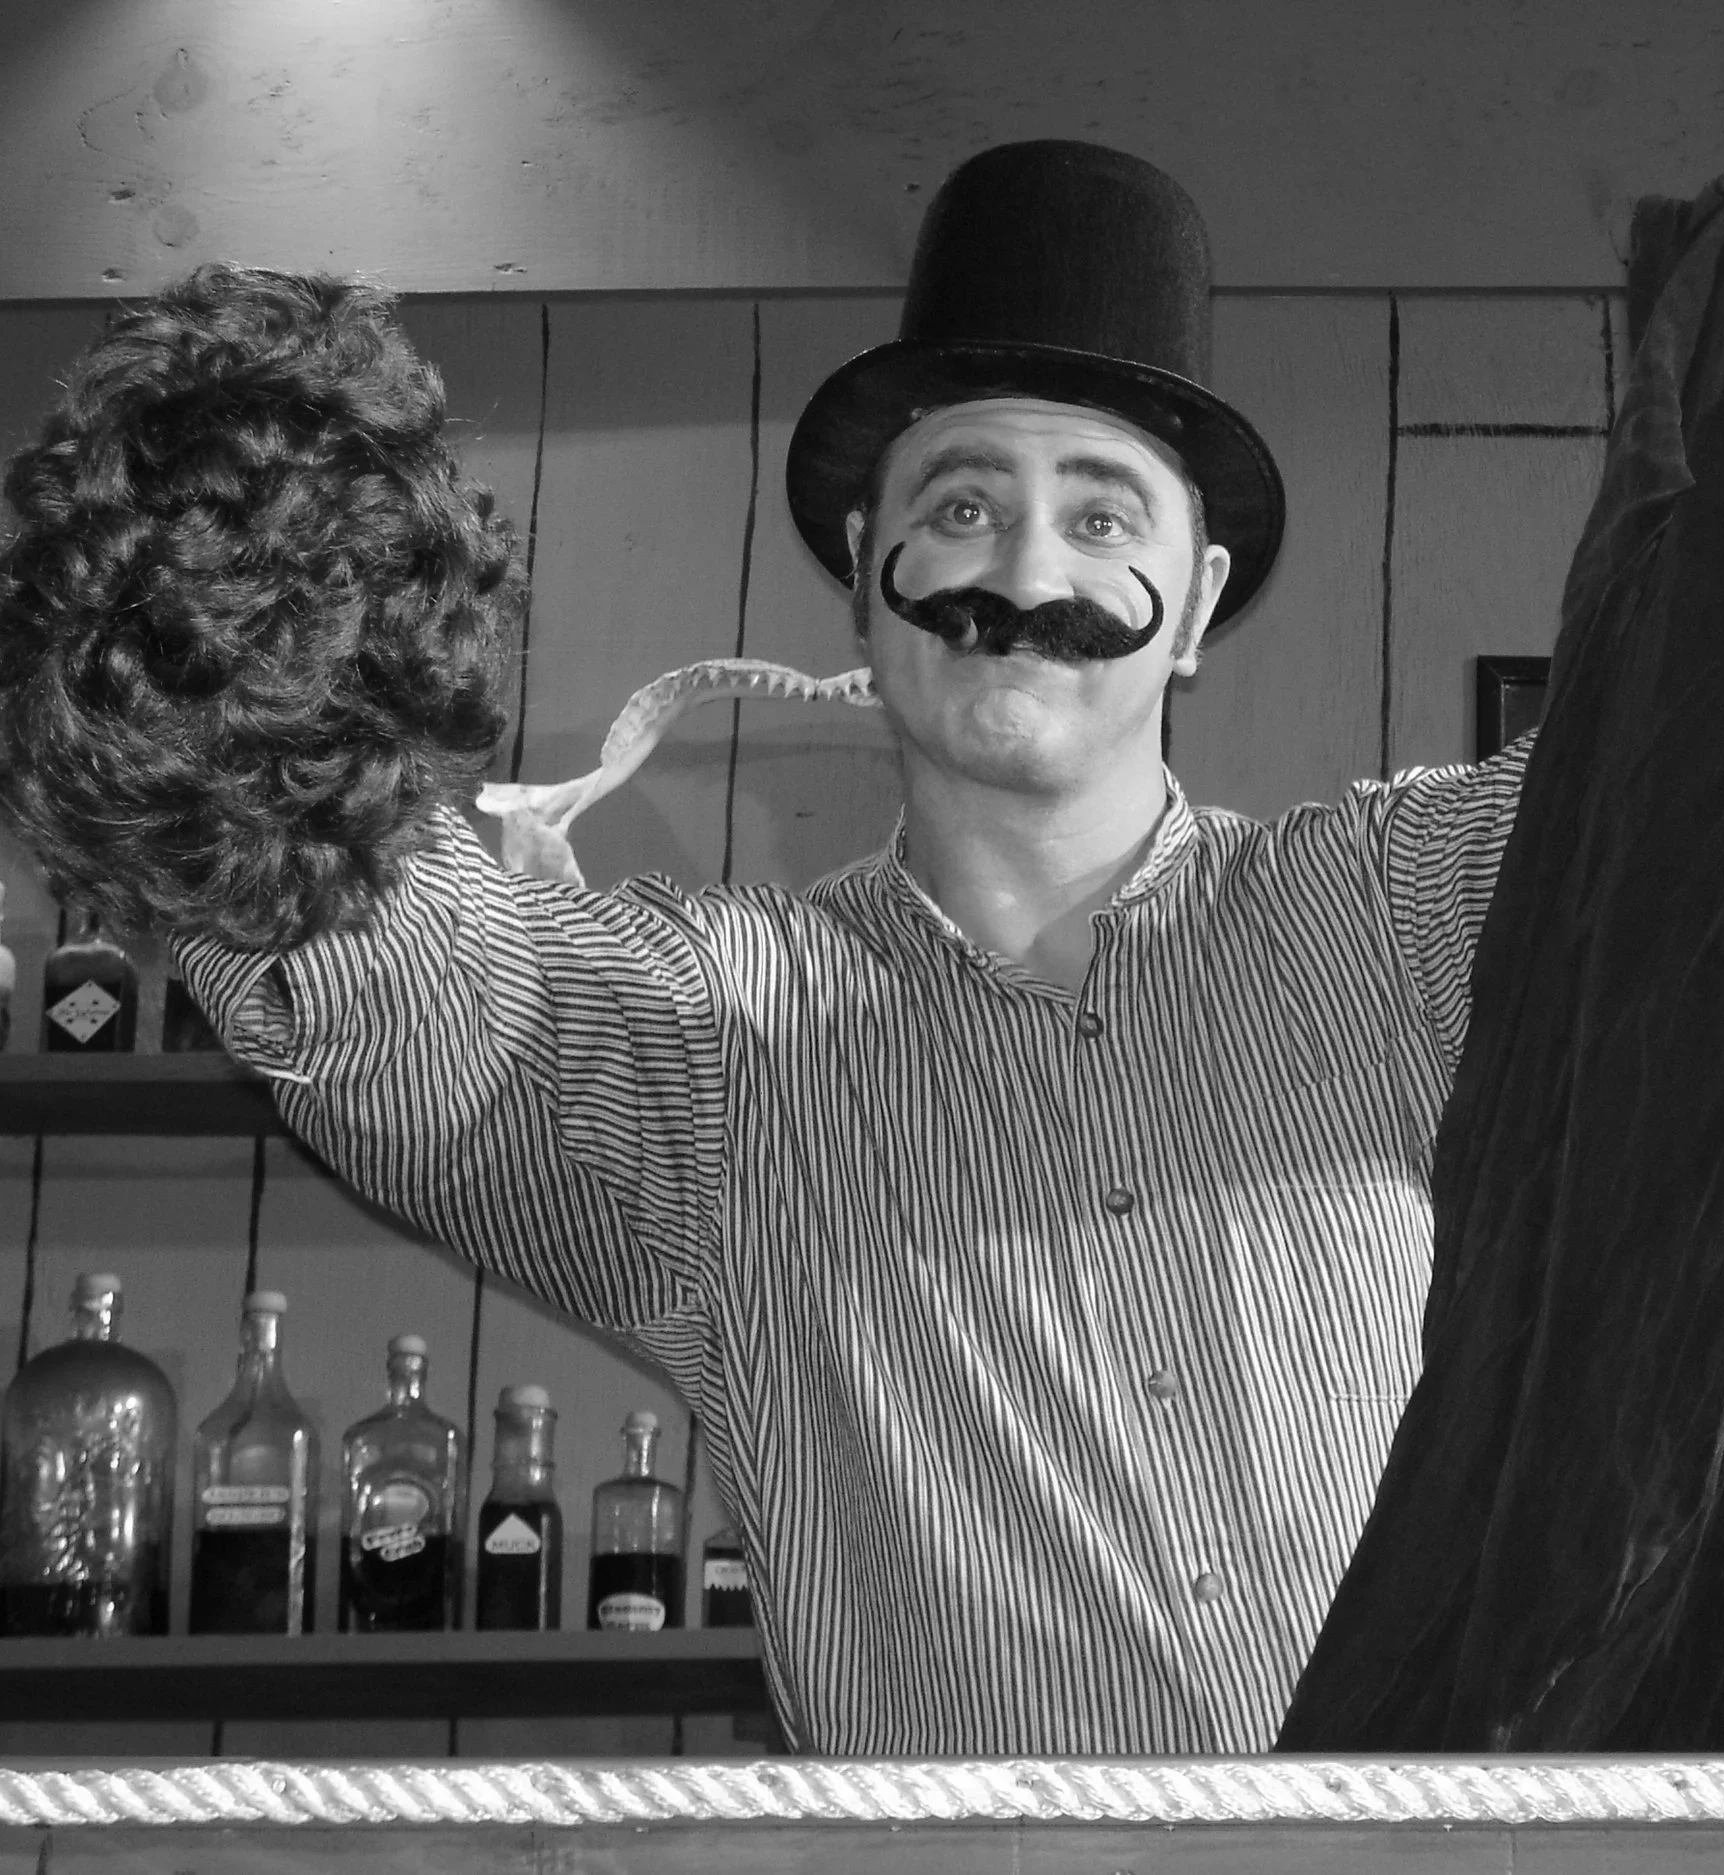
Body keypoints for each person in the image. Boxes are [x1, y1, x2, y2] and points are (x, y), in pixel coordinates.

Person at [0, 142, 1527, 1755]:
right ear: (865, 581)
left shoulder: (1397, 904)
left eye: (1100, 512)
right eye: (961, 505)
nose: (1025, 571)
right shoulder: (698, 1047)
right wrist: (239, 630)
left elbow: (1692, 799)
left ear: (1200, 602)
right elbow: (396, 969)